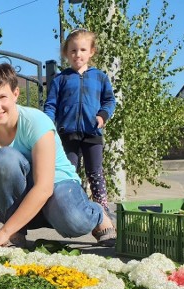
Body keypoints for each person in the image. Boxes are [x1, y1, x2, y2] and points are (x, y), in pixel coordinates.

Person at [0, 63, 116, 248]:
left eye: (2, 97)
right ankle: (16, 232)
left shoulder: (36, 122)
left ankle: (98, 213)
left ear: (15, 94)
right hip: (23, 201)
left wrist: (1, 233)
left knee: (74, 221)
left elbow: (44, 188)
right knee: (5, 158)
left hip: (56, 188)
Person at [44, 28, 116, 235]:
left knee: (95, 172)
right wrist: (48, 125)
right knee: (70, 172)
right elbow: (50, 105)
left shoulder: (100, 77)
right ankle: (76, 206)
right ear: (66, 53)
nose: (78, 54)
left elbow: (109, 100)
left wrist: (103, 115)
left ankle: (103, 210)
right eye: (73, 50)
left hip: (92, 133)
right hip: (67, 134)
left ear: (91, 52)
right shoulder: (60, 79)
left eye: (83, 50)